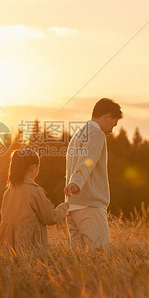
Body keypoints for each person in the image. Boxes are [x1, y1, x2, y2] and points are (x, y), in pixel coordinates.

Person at [64, 98, 123, 250]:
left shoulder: (77, 135)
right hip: (90, 207)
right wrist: (76, 183)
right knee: (100, 256)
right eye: (114, 124)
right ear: (107, 116)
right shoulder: (97, 134)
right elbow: (87, 161)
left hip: (72, 208)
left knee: (78, 263)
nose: (112, 129)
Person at [0, 148, 69, 252]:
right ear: (33, 167)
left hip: (7, 247)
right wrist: (65, 206)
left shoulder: (9, 191)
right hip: (29, 247)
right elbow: (49, 218)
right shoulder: (34, 190)